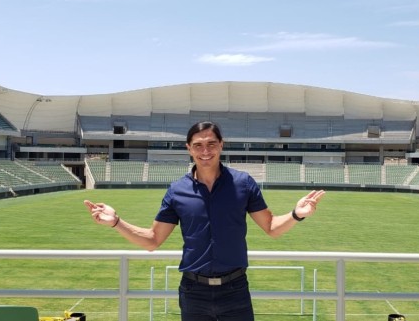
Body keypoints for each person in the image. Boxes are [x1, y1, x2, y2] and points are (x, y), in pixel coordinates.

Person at [84, 121, 325, 321]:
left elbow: (271, 227)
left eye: (211, 144)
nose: (205, 151)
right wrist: (116, 222)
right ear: (189, 148)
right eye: (198, 145)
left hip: (235, 289)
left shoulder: (243, 184)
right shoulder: (177, 190)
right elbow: (153, 240)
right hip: (193, 291)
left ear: (221, 145)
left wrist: (296, 214)